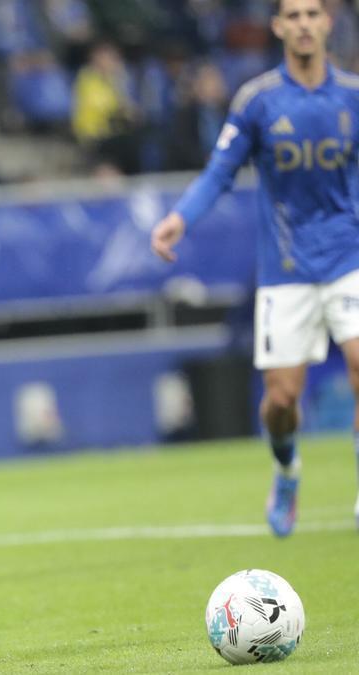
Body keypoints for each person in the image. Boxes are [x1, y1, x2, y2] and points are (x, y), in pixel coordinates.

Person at [151, 0, 359, 538]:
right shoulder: (258, 101)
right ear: (278, 26)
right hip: (287, 269)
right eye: (293, 15)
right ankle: (287, 471)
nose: (305, 24)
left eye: (313, 13)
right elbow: (220, 172)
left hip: (348, 259)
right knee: (281, 403)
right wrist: (179, 219)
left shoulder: (353, 98)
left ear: (327, 23)